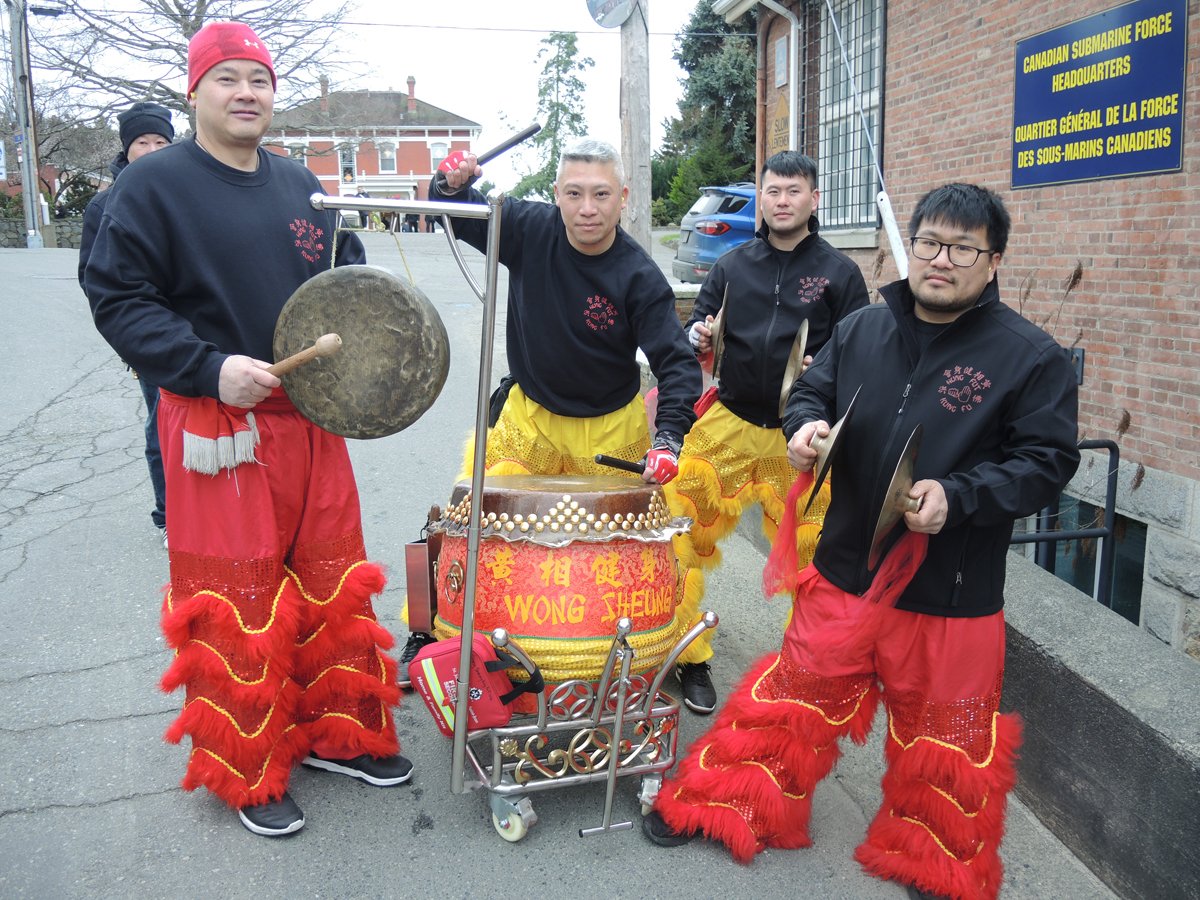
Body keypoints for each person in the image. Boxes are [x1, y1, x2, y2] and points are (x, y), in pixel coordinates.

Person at [643, 183, 1080, 900]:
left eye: (963, 247)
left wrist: (959, 496)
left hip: (953, 591)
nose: (942, 259)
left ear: (993, 258)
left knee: (946, 735)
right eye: (932, 242)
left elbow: (1046, 463)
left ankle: (932, 856)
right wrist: (805, 429)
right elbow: (811, 389)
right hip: (845, 566)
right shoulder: (864, 330)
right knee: (795, 695)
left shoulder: (1030, 357)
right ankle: (735, 804)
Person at [83, 21, 411, 838]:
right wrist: (204, 366)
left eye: (258, 80)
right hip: (215, 418)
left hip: (308, 416)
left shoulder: (300, 184)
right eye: (227, 79)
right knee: (239, 597)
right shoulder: (151, 188)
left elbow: (342, 281)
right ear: (195, 90)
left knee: (331, 575)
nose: (245, 93)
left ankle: (338, 732)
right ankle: (248, 770)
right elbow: (118, 299)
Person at [397, 140, 702, 681]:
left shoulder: (639, 277)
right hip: (530, 418)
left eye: (602, 194)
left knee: (661, 542)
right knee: (469, 521)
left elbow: (678, 365)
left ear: (623, 197)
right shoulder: (528, 228)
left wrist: (668, 440)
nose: (588, 208)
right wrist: (452, 184)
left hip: (613, 431)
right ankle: (432, 629)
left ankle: (685, 654)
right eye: (575, 193)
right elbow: (457, 213)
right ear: (557, 195)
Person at [664, 150, 870, 713]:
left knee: (818, 556)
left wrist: (824, 368)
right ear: (762, 198)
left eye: (793, 191)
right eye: (772, 191)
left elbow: (865, 354)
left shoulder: (841, 273)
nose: (781, 201)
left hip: (800, 435)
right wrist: (699, 336)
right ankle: (688, 655)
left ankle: (806, 672)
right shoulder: (732, 265)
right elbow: (697, 326)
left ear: (814, 200)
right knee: (677, 530)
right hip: (728, 421)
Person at [78, 101, 175, 547]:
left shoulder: (183, 190)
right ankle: (168, 514)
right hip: (150, 336)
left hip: (201, 332)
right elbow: (99, 282)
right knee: (162, 424)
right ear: (126, 148)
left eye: (161, 142)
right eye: (143, 142)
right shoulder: (106, 204)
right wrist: (133, 342)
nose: (152, 150)